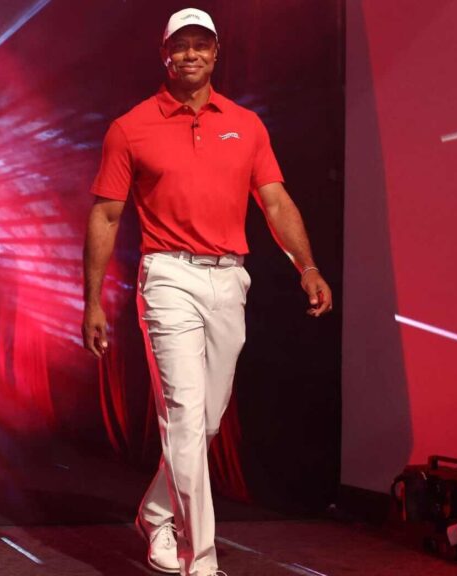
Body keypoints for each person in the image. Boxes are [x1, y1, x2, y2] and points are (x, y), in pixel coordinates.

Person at [81, 7, 333, 576]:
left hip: (230, 277)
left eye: (202, 45)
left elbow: (274, 201)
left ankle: (154, 510)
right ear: (164, 54)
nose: (191, 54)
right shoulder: (131, 126)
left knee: (207, 421)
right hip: (168, 276)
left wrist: (307, 266)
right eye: (181, 45)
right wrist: (92, 299)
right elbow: (105, 216)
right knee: (184, 414)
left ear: (216, 53)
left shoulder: (246, 124)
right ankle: (202, 559)